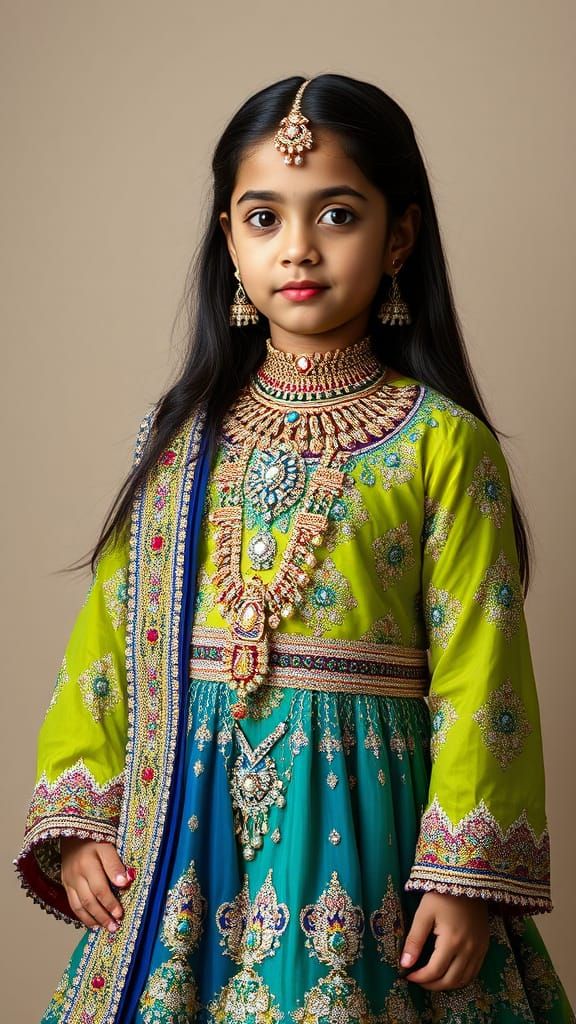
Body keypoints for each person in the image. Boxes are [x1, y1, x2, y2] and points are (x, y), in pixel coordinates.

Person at [14, 73, 574, 1024]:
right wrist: (82, 819)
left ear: (400, 236)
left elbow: (486, 676)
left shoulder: (439, 440)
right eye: (263, 217)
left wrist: (464, 876)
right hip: (185, 836)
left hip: (374, 838)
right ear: (229, 241)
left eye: (339, 214)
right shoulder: (182, 433)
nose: (298, 249)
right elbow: (108, 638)